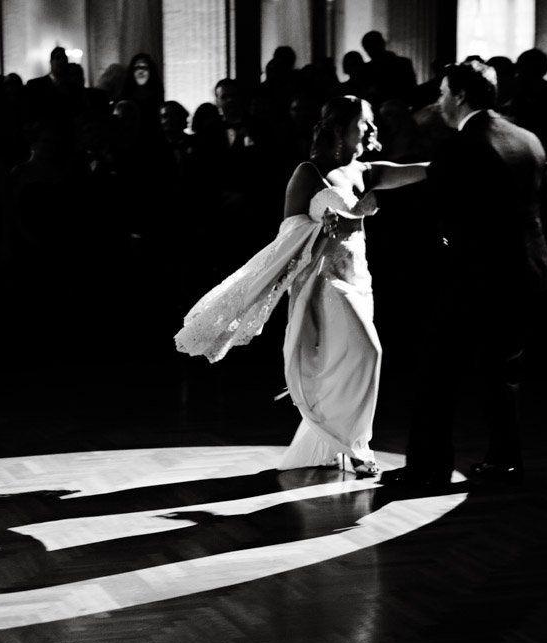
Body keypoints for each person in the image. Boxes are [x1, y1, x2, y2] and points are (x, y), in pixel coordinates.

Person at [175, 96, 429, 476]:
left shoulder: (367, 171)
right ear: (341, 127)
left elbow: (421, 170)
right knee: (368, 351)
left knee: (345, 361)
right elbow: (288, 236)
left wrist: (457, 158)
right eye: (365, 122)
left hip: (358, 278)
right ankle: (357, 444)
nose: (372, 129)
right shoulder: (308, 173)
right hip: (323, 284)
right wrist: (335, 224)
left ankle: (340, 439)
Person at [381, 60, 547, 489]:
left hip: (475, 275)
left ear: (458, 96)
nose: (437, 102)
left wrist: (443, 254)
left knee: (436, 371)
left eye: (441, 94)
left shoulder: (462, 144)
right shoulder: (527, 139)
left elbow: (443, 218)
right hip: (528, 269)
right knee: (502, 372)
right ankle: (504, 461)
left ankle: (428, 467)